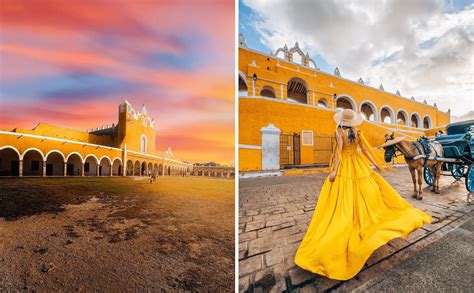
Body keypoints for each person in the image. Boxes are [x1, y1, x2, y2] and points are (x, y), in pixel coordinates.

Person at [294, 109, 431, 280]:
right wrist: (375, 164)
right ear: (353, 122)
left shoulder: (338, 132)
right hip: (359, 165)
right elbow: (365, 151)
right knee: (367, 193)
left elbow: (338, 153)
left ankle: (350, 218)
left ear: (341, 121)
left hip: (346, 165)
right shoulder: (358, 132)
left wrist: (334, 171)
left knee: (344, 196)